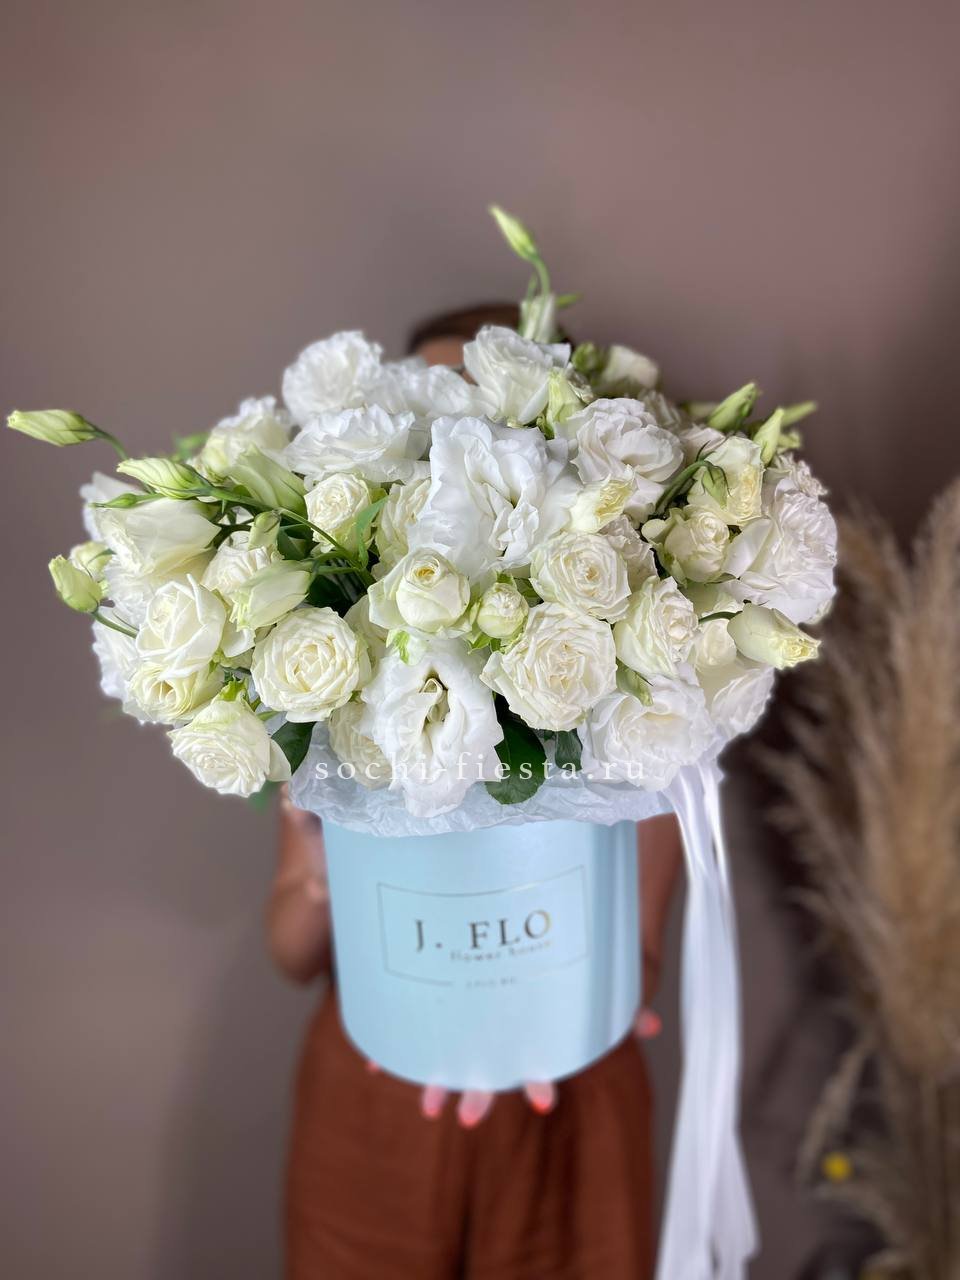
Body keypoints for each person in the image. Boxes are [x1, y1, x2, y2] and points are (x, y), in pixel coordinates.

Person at [270, 305, 684, 1280]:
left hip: (569, 1090)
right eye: (428, 418)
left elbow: (644, 952)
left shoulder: (632, 697)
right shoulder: (338, 682)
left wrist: (543, 1015)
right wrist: (324, 855)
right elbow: (290, 952)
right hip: (372, 1081)